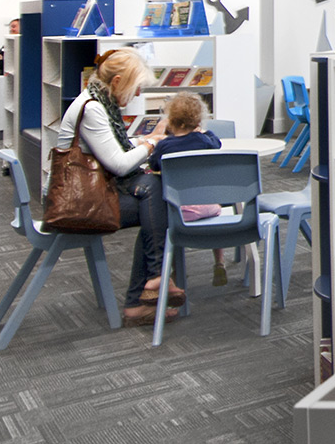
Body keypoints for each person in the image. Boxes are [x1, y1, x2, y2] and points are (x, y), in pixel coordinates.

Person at [50, 48, 175, 324]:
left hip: (92, 193)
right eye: (135, 87)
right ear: (117, 82)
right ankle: (150, 284)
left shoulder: (98, 101)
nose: (138, 94)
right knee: (158, 204)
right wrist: (152, 143)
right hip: (79, 205)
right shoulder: (93, 109)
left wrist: (147, 140)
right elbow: (119, 164)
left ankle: (150, 286)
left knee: (153, 199)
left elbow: (117, 150)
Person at [150, 92, 231, 286]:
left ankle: (177, 271)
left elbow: (153, 164)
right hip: (210, 207)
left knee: (164, 219)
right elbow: (217, 143)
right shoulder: (204, 141)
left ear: (171, 120)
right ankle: (219, 262)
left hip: (179, 212)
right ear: (197, 121)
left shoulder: (165, 146)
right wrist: (204, 131)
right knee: (213, 216)